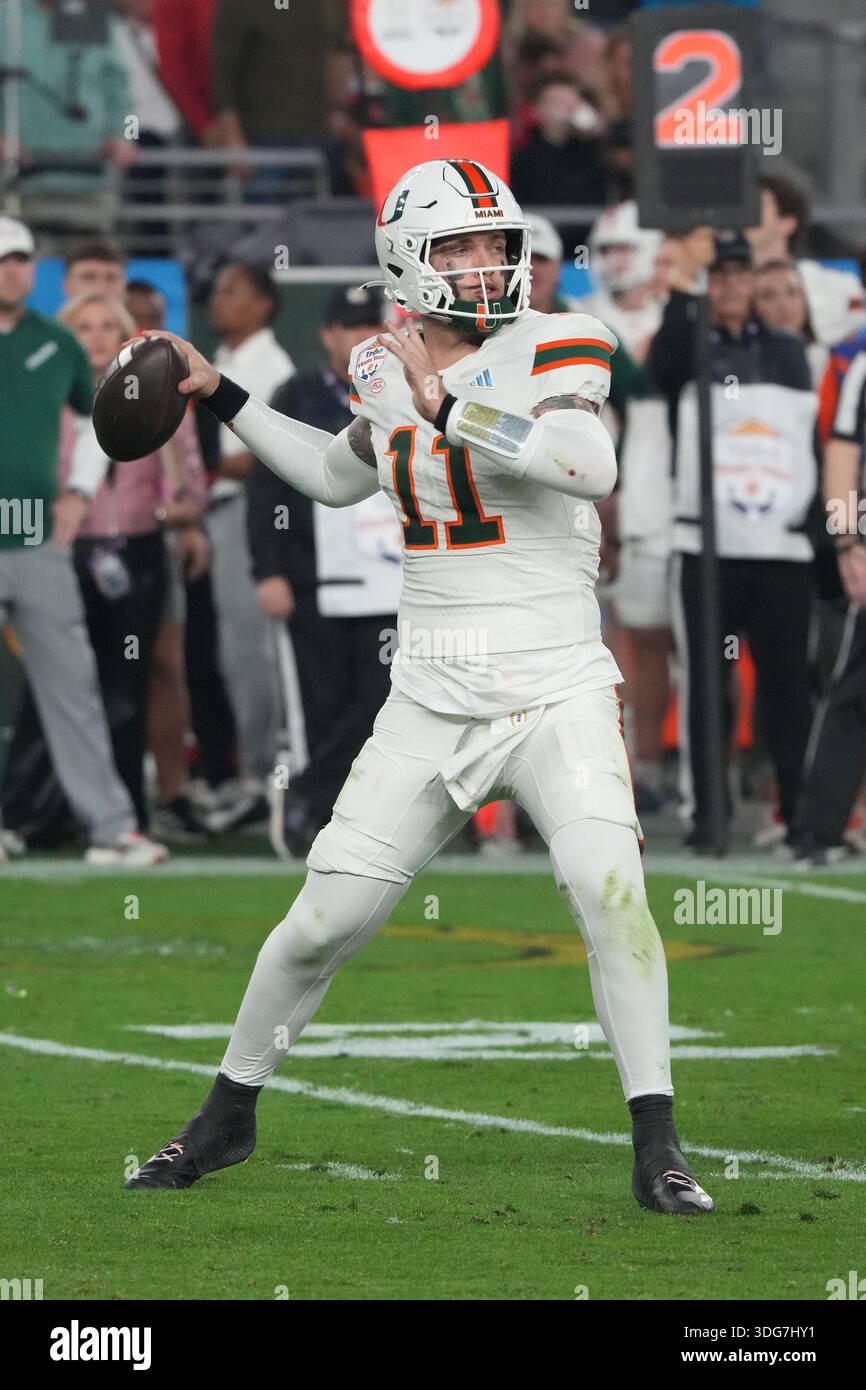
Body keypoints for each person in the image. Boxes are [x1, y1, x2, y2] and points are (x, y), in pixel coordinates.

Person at [124, 158, 714, 1216]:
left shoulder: (554, 342)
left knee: (607, 889)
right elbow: (331, 473)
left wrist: (442, 404)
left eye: (496, 243)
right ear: (408, 259)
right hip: (431, 686)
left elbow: (589, 464)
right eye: (460, 247)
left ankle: (656, 1141)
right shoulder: (384, 364)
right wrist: (222, 394)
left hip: (552, 678)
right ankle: (225, 1116)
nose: (488, 264)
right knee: (316, 922)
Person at [0, 216, 165, 864]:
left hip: (38, 541)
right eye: (4, 258)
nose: (13, 269)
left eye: (22, 258)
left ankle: (110, 827)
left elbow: (102, 418)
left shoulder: (57, 342)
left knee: (74, 688)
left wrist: (78, 490)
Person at [648, 231, 818, 850]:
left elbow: (808, 444)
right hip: (706, 548)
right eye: (719, 275)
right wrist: (679, 294)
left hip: (781, 549)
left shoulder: (787, 351)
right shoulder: (689, 344)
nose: (731, 286)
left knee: (786, 686)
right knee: (705, 683)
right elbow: (655, 370)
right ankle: (708, 816)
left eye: (741, 274)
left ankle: (801, 816)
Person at [247, 285, 402, 858]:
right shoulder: (299, 394)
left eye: (371, 326)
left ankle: (333, 806)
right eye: (350, 327)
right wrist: (269, 569)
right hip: (318, 580)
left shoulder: (406, 392)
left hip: (393, 580)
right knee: (324, 705)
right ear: (328, 334)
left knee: (383, 703)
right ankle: (318, 809)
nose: (363, 338)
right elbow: (267, 489)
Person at [206, 261, 295, 829]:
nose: (219, 301)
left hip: (248, 510)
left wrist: (202, 470)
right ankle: (251, 776)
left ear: (264, 303)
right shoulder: (223, 359)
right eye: (216, 291)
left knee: (254, 652)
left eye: (233, 291)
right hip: (214, 511)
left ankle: (268, 778)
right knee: (229, 652)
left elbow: (267, 449)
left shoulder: (271, 365)